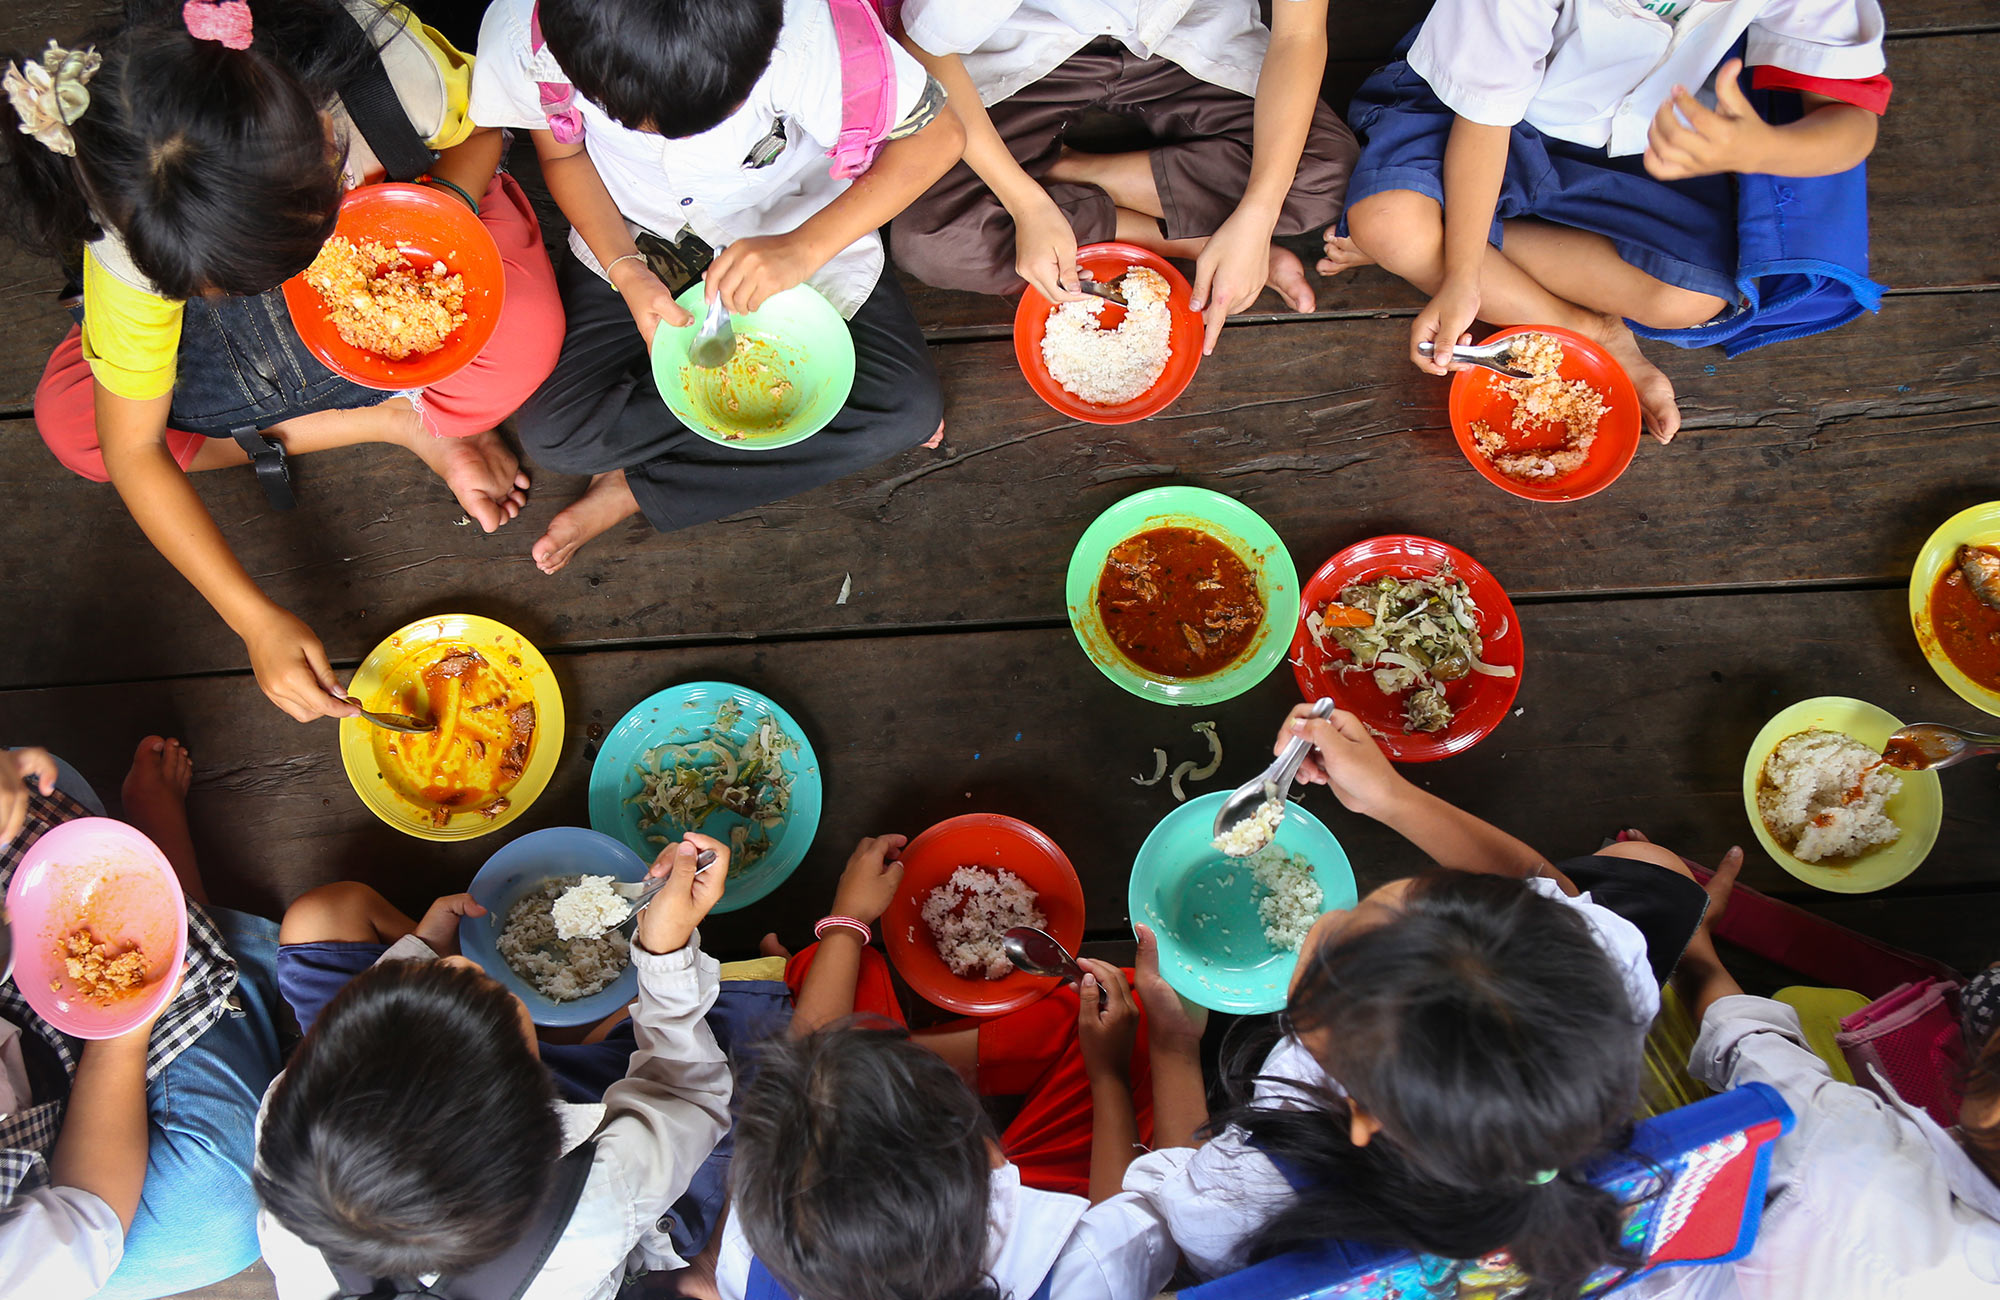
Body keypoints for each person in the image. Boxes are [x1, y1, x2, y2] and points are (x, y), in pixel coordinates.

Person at [6, 0, 564, 726]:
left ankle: (407, 405)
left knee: (524, 339)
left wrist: (439, 208)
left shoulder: (390, 76)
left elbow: (487, 125)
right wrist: (253, 619)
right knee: (74, 428)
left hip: (407, 233)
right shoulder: (130, 227)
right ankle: (401, 420)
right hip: (234, 357)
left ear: (324, 141)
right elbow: (131, 446)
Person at [1122, 705, 1712, 1298]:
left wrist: (1169, 1048)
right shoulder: (1603, 975)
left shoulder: (1249, 1192)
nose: (1330, 917)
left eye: (1331, 962)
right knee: (1652, 866)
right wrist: (1388, 796)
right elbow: (1553, 901)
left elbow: (1135, 1257)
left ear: (1363, 1114)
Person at [468, 0, 966, 574]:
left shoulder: (816, 35)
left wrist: (802, 248)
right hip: (633, 227)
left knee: (907, 408)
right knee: (557, 438)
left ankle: (639, 488)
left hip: (789, 226)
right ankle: (705, 460)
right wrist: (625, 268)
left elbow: (939, 136)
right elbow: (563, 152)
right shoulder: (521, 34)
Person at [1318, 0, 1891, 442]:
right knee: (1392, 223)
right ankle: (1589, 330)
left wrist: (1759, 149)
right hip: (1476, 117)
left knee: (1686, 301)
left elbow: (1851, 121)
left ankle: (1425, 235)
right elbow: (1483, 121)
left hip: (1645, 147)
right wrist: (1462, 276)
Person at [703, 833, 1205, 1300]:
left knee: (841, 969)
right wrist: (1161, 1050)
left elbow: (811, 1086)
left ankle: (821, 988)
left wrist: (847, 924)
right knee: (1133, 1021)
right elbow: (1175, 1214)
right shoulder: (1091, 1267)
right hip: (1068, 1217)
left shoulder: (752, 1253)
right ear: (991, 1156)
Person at [253, 833, 742, 1298]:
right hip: (613, 1187)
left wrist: (417, 956)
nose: (461, 962)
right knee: (743, 1046)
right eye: (501, 998)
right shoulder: (591, 1207)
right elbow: (689, 1092)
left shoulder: (289, 1126)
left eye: (433, 982)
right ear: (542, 1112)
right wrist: (664, 951)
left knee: (322, 915)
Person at [1623, 856, 2000, 1299]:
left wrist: (1692, 948)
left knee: (1647, 894)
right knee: (1822, 1008)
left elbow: (1749, 1045)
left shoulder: (1850, 1151)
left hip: (1636, 1260)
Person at [892, 0, 1358, 355]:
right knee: (929, 240)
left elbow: (1299, 34)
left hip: (1190, 40)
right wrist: (1025, 204)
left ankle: (1066, 168)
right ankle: (1190, 242)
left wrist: (1256, 219)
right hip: (1032, 50)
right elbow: (927, 44)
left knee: (1325, 176)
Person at [0, 738, 285, 1299]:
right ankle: (179, 888)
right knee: (218, 1204)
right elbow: (88, 1205)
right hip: (57, 1168)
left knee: (49, 796)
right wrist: (125, 1033)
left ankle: (173, 892)